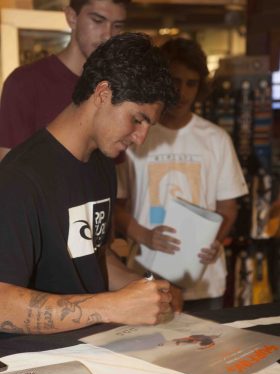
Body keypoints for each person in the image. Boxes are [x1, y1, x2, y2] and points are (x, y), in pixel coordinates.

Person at [0, 32, 181, 335]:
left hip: (94, 348)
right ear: (102, 93)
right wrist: (111, 306)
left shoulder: (102, 165)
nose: (141, 138)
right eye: (137, 119)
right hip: (35, 366)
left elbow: (91, 256)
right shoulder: (20, 179)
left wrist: (148, 291)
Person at [115, 37, 248, 311]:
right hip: (143, 277)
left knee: (208, 352)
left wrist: (216, 239)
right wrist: (144, 235)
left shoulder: (216, 138)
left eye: (191, 83)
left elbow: (228, 207)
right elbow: (116, 205)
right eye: (175, 80)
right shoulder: (136, 133)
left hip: (203, 281)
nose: (182, 91)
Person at [0, 0, 130, 160]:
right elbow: (8, 172)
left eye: (117, 26)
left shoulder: (116, 86)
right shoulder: (25, 83)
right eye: (98, 21)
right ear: (71, 17)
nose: (108, 35)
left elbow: (116, 172)